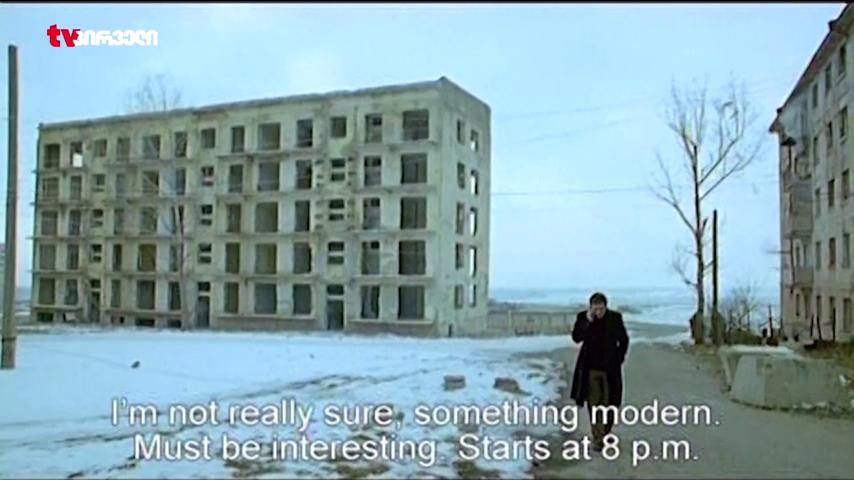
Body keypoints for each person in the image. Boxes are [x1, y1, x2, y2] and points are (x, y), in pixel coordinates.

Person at [569, 292, 629, 451]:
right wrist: (588, 321)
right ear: (591, 308)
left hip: (610, 370)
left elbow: (624, 340)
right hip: (590, 370)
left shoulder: (615, 318)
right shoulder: (584, 318)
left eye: (601, 309)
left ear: (605, 306)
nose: (598, 312)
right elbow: (576, 337)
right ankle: (598, 438)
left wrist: (619, 358)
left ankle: (606, 432)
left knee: (611, 404)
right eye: (595, 309)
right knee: (594, 404)